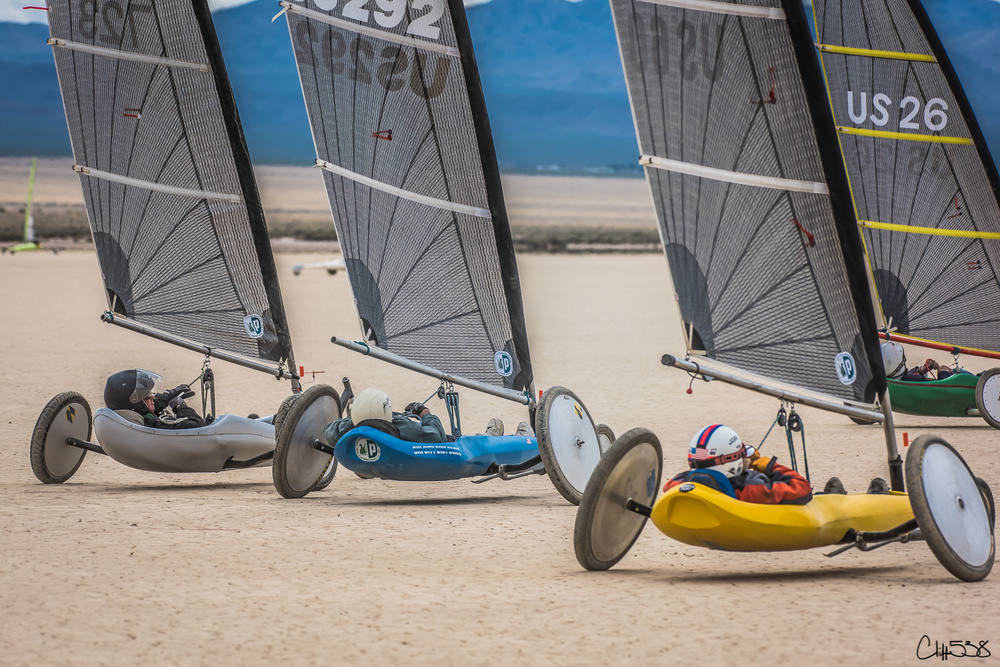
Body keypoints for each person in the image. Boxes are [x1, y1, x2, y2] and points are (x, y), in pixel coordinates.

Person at [663, 424, 813, 505]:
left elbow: (667, 487)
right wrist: (769, 466)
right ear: (731, 462)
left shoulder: (680, 484)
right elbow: (802, 489)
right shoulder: (750, 488)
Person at [323, 388, 528, 446]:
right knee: (463, 440)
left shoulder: (348, 430)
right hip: (443, 448)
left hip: (375, 446)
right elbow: (436, 436)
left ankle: (489, 436)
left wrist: (355, 421)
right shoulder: (401, 428)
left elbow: (330, 430)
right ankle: (505, 440)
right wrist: (424, 412)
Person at [104, 369, 206, 430]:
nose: (152, 396)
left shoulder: (129, 417)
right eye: (147, 395)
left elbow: (145, 406)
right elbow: (198, 425)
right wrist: (180, 407)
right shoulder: (153, 425)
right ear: (135, 402)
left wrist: (169, 395)